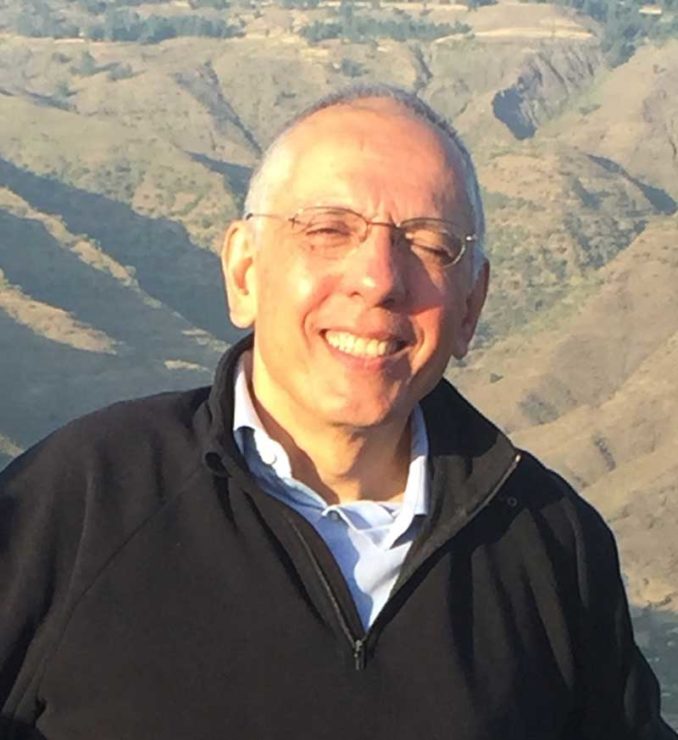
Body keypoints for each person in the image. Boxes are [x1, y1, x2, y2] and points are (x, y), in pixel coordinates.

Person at [0, 85, 675, 740]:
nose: (379, 279)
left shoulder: (551, 544)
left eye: (429, 244)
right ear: (244, 272)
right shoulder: (79, 503)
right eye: (328, 230)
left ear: (471, 306)